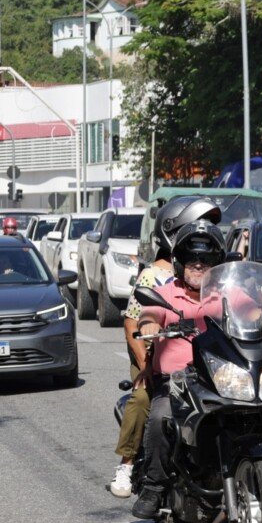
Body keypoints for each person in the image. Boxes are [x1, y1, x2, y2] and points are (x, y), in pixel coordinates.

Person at [131, 220, 262, 519]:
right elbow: (150, 312)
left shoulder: (227, 294)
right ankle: (155, 485)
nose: (198, 266)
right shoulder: (168, 292)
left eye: (207, 260)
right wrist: (150, 323)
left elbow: (256, 311)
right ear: (179, 263)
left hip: (220, 373)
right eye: (192, 259)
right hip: (179, 378)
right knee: (162, 417)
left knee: (261, 408)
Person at [108, 197, 222, 499]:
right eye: (193, 227)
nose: (202, 232)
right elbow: (134, 323)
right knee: (146, 400)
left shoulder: (214, 278)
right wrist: (146, 361)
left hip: (207, 359)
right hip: (155, 354)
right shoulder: (154, 276)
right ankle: (130, 466)